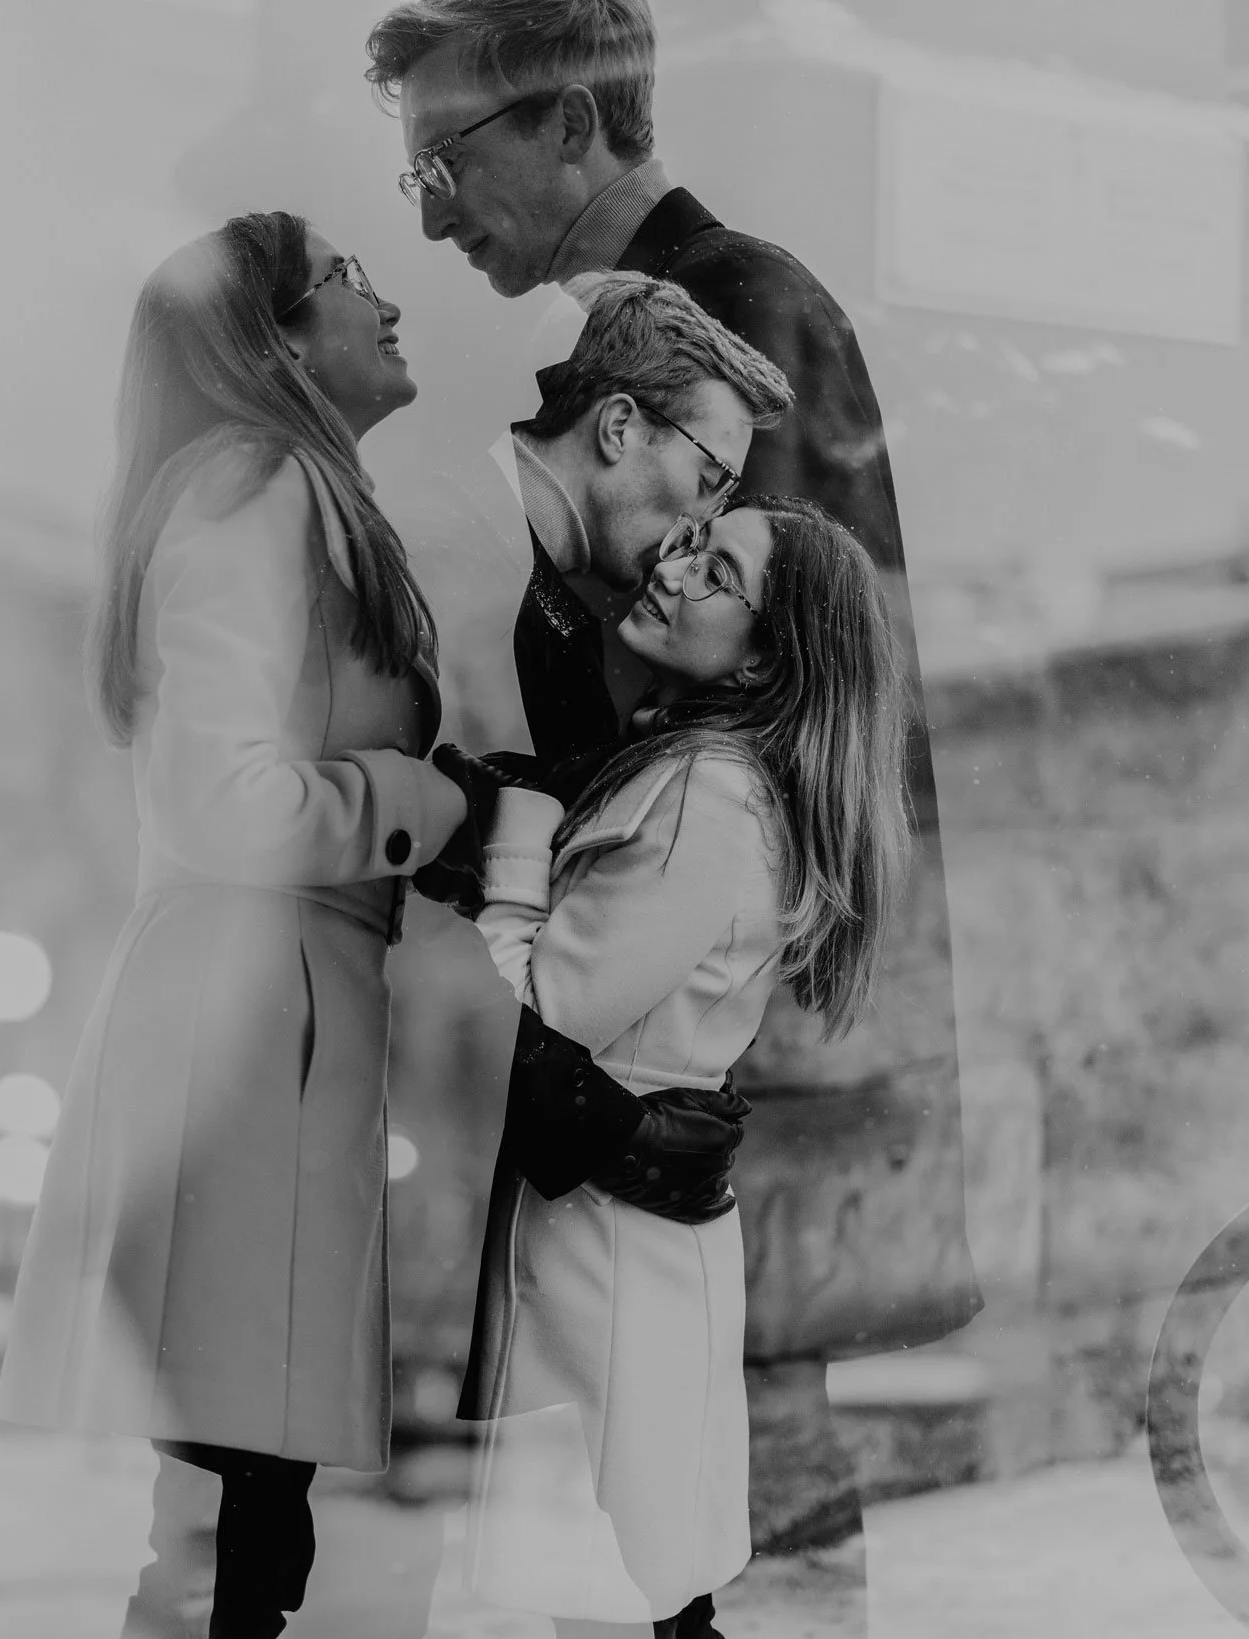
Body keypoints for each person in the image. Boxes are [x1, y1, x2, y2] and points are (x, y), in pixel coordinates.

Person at [367, 0, 977, 1583]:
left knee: (735, 1518)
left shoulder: (730, 325)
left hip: (707, 1088)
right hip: (664, 1067)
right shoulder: (656, 340)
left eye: (447, 156)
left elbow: (802, 698)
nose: (426, 210)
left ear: (571, 120)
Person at [0, 211, 471, 1639]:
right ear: (274, 338)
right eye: (343, 280)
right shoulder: (256, 490)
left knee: (234, 1521)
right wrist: (419, 806)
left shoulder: (285, 493)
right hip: (248, 1026)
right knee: (228, 1532)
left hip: (271, 1023)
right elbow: (225, 801)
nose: (385, 298)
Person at [457, 499, 913, 1639]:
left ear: (768, 651)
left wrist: (510, 834)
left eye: (718, 570)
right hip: (638, 1249)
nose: (673, 565)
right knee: (643, 1582)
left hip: (604, 1254)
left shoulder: (705, 795)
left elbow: (551, 999)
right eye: (694, 539)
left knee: (607, 1586)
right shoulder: (714, 772)